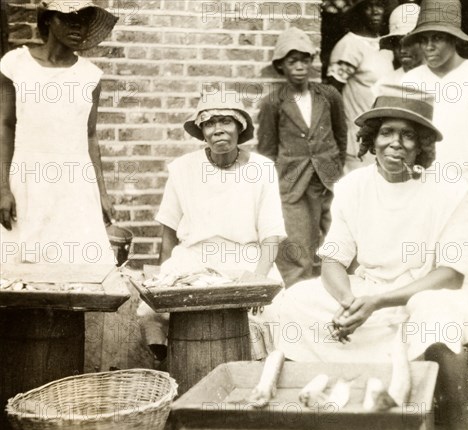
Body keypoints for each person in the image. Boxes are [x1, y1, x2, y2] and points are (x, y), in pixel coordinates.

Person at [263, 85, 468, 430]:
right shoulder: (353, 186)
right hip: (372, 289)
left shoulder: (451, 191)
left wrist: (376, 302)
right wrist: (348, 302)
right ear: (371, 140)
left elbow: (450, 274)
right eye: (387, 132)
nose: (396, 143)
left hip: (436, 290)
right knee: (291, 303)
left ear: (422, 144)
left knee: (436, 316)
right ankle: (327, 412)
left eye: (408, 135)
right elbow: (334, 260)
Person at [137, 95, 287, 362]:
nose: (218, 129)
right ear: (202, 131)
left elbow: (271, 234)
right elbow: (169, 231)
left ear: (239, 127)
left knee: (269, 315)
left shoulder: (262, 169)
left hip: (246, 258)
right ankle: (175, 362)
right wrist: (163, 276)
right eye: (209, 123)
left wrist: (259, 277)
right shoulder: (183, 168)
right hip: (193, 259)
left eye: (226, 121)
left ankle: (250, 371)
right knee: (151, 313)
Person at [0, 0, 118, 265]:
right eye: (67, 17)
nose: (77, 24)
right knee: (21, 275)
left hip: (74, 184)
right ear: (48, 21)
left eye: (84, 18)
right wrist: (3, 188)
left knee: (74, 270)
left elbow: (89, 136)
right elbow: (5, 126)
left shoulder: (90, 76)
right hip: (27, 178)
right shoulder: (16, 64)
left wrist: (102, 193)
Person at [257, 28, 346, 288]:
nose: (299, 67)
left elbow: (341, 135)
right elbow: (267, 150)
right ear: (281, 66)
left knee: (338, 241)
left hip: (329, 180)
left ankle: (339, 295)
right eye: (292, 61)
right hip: (293, 184)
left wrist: (334, 166)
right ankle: (296, 298)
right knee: (297, 248)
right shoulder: (273, 102)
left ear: (311, 62)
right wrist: (275, 186)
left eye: (304, 60)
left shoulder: (329, 95)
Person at [398, 0, 468, 220]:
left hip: (464, 190)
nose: (429, 47)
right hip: (417, 189)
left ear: (454, 38)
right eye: (423, 40)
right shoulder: (409, 82)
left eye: (437, 38)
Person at [327, 0, 394, 172]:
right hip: (357, 139)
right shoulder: (349, 46)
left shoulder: (385, 45)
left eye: (380, 5)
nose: (375, 11)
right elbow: (332, 93)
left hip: (384, 137)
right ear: (359, 11)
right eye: (369, 6)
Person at [379, 3, 423, 75]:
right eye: (396, 43)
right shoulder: (386, 82)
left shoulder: (441, 79)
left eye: (408, 43)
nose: (402, 50)